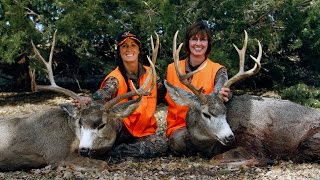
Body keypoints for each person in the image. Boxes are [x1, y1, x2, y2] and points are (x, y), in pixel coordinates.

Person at [75, 31, 168, 159]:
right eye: (124, 46)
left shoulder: (152, 76)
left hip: (144, 131)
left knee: (161, 145)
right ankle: (103, 147)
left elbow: (166, 94)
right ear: (119, 51)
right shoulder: (115, 78)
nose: (128, 49)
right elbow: (102, 95)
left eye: (133, 45)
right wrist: (89, 100)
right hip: (120, 129)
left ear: (139, 49)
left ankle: (112, 152)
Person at [164, 21, 231, 157]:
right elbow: (159, 94)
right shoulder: (172, 68)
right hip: (179, 128)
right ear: (188, 42)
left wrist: (227, 95)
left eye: (203, 40)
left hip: (206, 126)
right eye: (194, 39)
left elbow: (225, 89)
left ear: (208, 44)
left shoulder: (218, 70)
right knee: (179, 143)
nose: (198, 44)